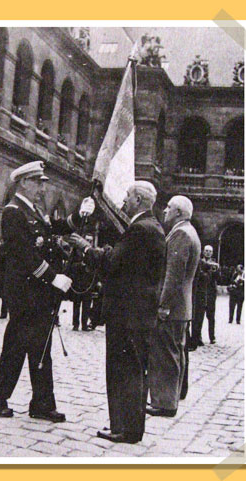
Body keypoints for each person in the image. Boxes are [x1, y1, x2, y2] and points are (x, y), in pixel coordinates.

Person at [0, 160, 95, 420]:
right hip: (25, 293)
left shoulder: (33, 210)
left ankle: (42, 404)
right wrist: (54, 278)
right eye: (37, 182)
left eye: (42, 183)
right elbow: (23, 254)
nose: (42, 188)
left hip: (39, 294)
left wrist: (80, 215)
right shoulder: (13, 212)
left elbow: (55, 228)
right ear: (23, 182)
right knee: (16, 348)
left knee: (41, 349)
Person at [69, 181, 165, 444]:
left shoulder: (140, 229)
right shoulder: (151, 227)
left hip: (127, 314)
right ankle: (127, 426)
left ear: (138, 200)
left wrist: (86, 248)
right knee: (133, 370)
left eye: (128, 196)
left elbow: (113, 262)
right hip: (138, 313)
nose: (124, 200)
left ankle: (124, 428)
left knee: (123, 371)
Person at [147, 195, 200, 418]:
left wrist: (163, 305)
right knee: (177, 352)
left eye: (169, 208)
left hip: (174, 307)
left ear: (178, 212)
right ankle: (174, 395)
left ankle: (164, 403)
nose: (165, 211)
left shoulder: (180, 233)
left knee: (166, 355)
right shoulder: (190, 232)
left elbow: (173, 275)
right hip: (182, 307)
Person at [192, 245, 220, 345]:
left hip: (211, 294)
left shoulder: (214, 264)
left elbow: (218, 278)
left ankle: (212, 337)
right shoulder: (199, 262)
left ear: (212, 253)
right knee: (199, 316)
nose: (208, 252)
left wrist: (216, 270)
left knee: (211, 316)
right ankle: (198, 337)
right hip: (201, 292)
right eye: (206, 251)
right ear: (203, 252)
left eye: (210, 251)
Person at [71, 234, 95, 331]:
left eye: (91, 241)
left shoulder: (93, 253)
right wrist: (80, 265)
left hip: (88, 283)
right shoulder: (76, 252)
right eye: (88, 240)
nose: (89, 242)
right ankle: (75, 324)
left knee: (87, 305)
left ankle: (84, 325)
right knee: (76, 304)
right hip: (78, 282)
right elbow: (71, 265)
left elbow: (95, 268)